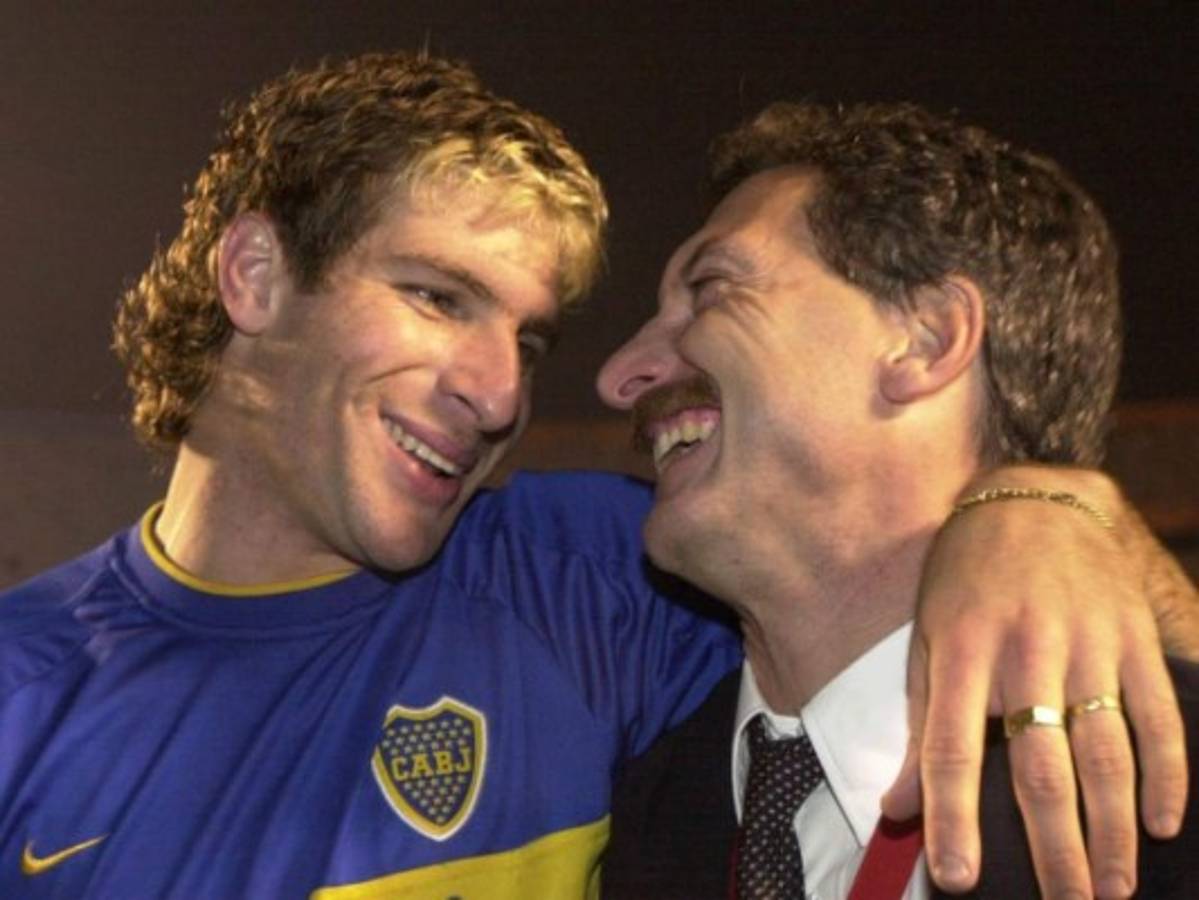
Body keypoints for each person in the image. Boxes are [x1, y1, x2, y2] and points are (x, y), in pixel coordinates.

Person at [0, 53, 1190, 899]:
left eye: (527, 339)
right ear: (255, 275)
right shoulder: (23, 688)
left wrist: (1041, 499)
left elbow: (855, 560)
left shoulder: (589, 579)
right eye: (435, 296)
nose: (505, 393)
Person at [599, 100, 1199, 899]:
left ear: (925, 339)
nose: (620, 373)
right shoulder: (642, 810)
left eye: (710, 289)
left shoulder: (1165, 789)